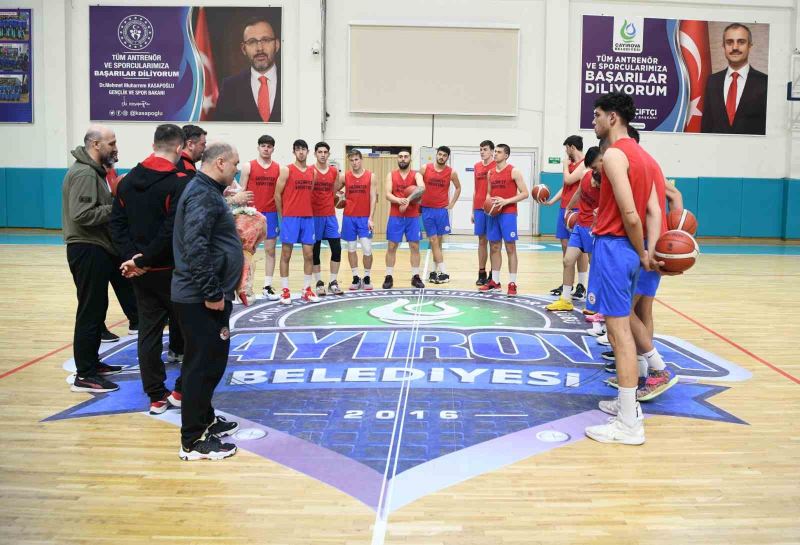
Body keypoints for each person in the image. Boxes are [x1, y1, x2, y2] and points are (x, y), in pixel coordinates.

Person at [583, 92, 663, 446]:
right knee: (621, 330)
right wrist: (648, 250)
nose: (594, 121)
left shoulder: (614, 154)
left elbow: (632, 214)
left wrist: (641, 250)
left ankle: (629, 425)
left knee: (618, 335)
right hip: (628, 252)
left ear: (613, 117)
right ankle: (626, 403)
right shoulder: (646, 157)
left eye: (598, 115)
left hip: (617, 248)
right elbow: (652, 211)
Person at [172, 141, 243, 461]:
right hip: (200, 297)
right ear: (219, 163)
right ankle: (193, 441)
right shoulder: (202, 193)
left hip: (208, 294)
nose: (237, 169)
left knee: (210, 362)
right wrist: (212, 292)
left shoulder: (207, 191)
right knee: (201, 366)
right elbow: (195, 247)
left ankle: (206, 419)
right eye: (235, 164)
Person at [110, 124, 188, 415]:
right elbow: (171, 231)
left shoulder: (126, 181)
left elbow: (116, 224)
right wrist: (144, 260)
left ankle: (155, 395)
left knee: (149, 333)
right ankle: (180, 390)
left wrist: (133, 260)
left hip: (141, 274)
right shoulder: (178, 182)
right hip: (171, 272)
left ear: (154, 144)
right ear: (179, 149)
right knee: (191, 332)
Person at [62, 125, 126, 393]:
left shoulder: (95, 172)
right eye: (111, 143)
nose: (115, 147)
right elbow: (82, 214)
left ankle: (92, 363)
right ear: (95, 144)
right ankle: (84, 373)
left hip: (96, 247)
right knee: (90, 311)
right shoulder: (85, 174)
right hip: (87, 248)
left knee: (96, 309)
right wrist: (118, 208)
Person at [477, 144, 529, 296]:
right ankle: (495, 281)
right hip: (493, 215)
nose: (495, 154)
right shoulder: (490, 173)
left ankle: (512, 283)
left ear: (506, 155)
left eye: (499, 152)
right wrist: (488, 206)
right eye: (496, 152)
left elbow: (525, 193)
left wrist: (506, 201)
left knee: (510, 248)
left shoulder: (514, 171)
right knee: (494, 247)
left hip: (508, 213)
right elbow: (488, 194)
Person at [701, 23, 767, 135]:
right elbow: (706, 126)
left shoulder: (765, 82)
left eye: (741, 42)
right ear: (723, 46)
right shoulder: (712, 81)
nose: (735, 47)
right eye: (729, 42)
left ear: (750, 46)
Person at [274, 139, 318, 304]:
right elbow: (277, 194)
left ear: (308, 152)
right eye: (298, 149)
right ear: (294, 152)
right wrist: (282, 216)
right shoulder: (286, 170)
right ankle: (285, 290)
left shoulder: (312, 172)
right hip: (290, 218)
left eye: (303, 149)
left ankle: (306, 289)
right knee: (286, 254)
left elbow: (309, 192)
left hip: (307, 218)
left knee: (309, 254)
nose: (301, 152)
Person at [545, 135, 589, 299]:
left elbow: (569, 179)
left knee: (581, 248)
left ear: (572, 147)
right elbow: (566, 187)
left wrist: (564, 166)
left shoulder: (584, 162)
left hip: (578, 209)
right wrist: (552, 202)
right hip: (564, 208)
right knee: (565, 246)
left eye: (566, 148)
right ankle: (567, 284)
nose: (565, 152)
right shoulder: (570, 165)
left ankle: (582, 285)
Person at [213, 17, 281, 123]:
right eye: (252, 42)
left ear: (276, 45)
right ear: (244, 49)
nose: (259, 48)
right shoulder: (229, 87)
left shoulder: (294, 81)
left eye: (266, 40)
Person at [239, 134, 281, 300]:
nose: (266, 148)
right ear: (258, 147)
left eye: (269, 146)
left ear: (273, 149)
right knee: (248, 252)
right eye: (263, 145)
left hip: (271, 213)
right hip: (252, 213)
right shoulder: (248, 166)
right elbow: (242, 190)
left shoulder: (278, 168)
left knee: (270, 251)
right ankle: (245, 287)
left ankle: (267, 286)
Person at [382, 149, 426, 289]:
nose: (403, 159)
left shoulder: (416, 174)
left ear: (410, 159)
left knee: (414, 246)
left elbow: (422, 188)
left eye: (405, 157)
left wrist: (408, 199)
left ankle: (415, 276)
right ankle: (388, 276)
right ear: (397, 159)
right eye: (400, 157)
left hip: (412, 216)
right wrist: (399, 200)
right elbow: (388, 194)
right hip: (396, 215)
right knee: (392, 246)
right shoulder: (392, 174)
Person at [336, 149, 377, 290]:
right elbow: (333, 191)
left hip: (364, 218)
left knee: (367, 248)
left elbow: (373, 197)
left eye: (356, 159)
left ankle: (366, 276)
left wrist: (371, 218)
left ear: (361, 159)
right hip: (349, 217)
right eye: (352, 160)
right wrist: (339, 196)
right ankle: (355, 277)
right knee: (351, 248)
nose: (354, 162)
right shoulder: (344, 177)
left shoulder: (371, 176)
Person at [420, 145, 461, 284]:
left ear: (447, 158)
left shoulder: (451, 172)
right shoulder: (425, 168)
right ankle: (444, 272)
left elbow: (458, 187)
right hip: (427, 209)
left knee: (438, 242)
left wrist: (452, 204)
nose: (441, 157)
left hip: (441, 210)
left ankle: (433, 271)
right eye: (440, 154)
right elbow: (417, 186)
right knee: (433, 241)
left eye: (444, 155)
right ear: (436, 154)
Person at [310, 142, 343, 295]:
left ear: (328, 154)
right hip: (314, 216)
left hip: (330, 215)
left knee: (337, 249)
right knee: (314, 251)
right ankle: (318, 282)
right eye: (320, 152)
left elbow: (335, 191)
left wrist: (340, 199)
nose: (323, 154)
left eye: (325, 152)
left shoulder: (334, 172)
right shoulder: (310, 171)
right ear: (315, 154)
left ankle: (333, 282)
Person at [472, 140, 496, 286]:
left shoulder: (496, 166)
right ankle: (482, 273)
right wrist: (472, 210)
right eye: (481, 149)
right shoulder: (477, 166)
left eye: (485, 149)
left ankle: (494, 273)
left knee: (494, 242)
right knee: (482, 241)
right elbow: (475, 189)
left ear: (492, 151)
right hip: (479, 208)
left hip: (492, 208)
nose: (482, 152)